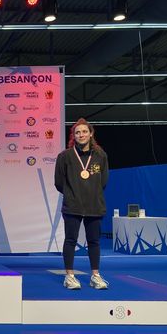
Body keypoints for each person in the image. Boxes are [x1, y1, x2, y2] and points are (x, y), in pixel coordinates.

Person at [54, 118, 109, 290]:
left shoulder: (100, 155)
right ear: (74, 136)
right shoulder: (65, 156)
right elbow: (58, 182)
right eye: (78, 132)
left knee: (94, 242)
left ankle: (95, 276)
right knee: (70, 240)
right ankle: (69, 276)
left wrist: (91, 194)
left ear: (91, 133)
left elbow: (104, 181)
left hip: (94, 206)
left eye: (84, 131)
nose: (81, 135)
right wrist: (73, 195)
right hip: (73, 206)